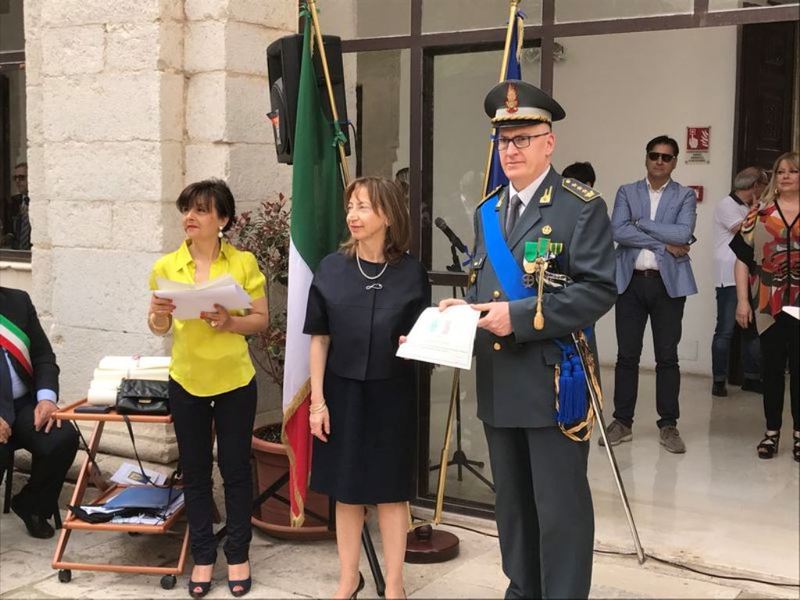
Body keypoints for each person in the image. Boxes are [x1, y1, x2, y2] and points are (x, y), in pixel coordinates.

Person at [439, 80, 617, 598]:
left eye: (523, 139)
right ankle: (523, 588)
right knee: (513, 505)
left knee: (559, 508)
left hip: (553, 383)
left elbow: (598, 290)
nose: (510, 150)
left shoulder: (580, 207)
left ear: (549, 143)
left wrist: (515, 317)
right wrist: (462, 313)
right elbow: (487, 286)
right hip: (500, 381)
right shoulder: (488, 211)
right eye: (503, 140)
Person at [305, 176, 429, 600]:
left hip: (393, 394)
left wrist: (424, 338)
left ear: (388, 215)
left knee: (392, 493)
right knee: (347, 492)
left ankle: (394, 583)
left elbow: (422, 336)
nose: (352, 215)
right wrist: (317, 403)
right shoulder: (331, 268)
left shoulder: (412, 273)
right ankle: (349, 578)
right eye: (350, 207)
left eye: (363, 207)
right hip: (342, 394)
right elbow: (319, 339)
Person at [148, 179, 268, 598]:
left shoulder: (243, 263)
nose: (190, 217)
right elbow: (159, 327)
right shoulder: (166, 266)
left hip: (235, 380)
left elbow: (261, 319)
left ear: (223, 219)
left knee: (235, 469)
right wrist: (158, 314)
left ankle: (238, 553)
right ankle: (202, 556)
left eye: (200, 210)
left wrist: (230, 322)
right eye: (187, 209)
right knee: (195, 472)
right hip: (187, 380)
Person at [606, 135, 698, 454]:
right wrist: (662, 243)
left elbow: (683, 233)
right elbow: (618, 230)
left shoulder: (684, 195)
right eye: (654, 155)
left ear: (674, 162)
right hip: (630, 283)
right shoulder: (626, 191)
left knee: (667, 357)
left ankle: (668, 424)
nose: (660, 161)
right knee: (626, 356)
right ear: (646, 158)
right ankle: (622, 422)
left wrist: (641, 223)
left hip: (667, 285)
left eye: (666, 157)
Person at [731, 151, 799, 462]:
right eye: (780, 171)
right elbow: (742, 261)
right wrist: (742, 301)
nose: (785, 176)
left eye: (793, 171)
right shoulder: (759, 214)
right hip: (768, 302)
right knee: (771, 370)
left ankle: (799, 435)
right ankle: (772, 433)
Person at [0, 286, 78, 539]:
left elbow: (43, 355)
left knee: (62, 437)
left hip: (24, 405)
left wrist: (46, 399)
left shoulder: (17, 301)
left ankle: (32, 505)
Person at [711, 167, 767, 397]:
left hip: (751, 276)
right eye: (763, 186)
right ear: (755, 186)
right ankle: (719, 380)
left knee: (752, 330)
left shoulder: (748, 207)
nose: (765, 191)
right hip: (728, 276)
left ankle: (751, 378)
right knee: (725, 331)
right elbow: (745, 231)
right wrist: (757, 210)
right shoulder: (727, 205)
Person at [1, 162, 31, 250]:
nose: (17, 181)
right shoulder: (12, 202)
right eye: (15, 178)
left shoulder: (41, 202)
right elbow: (11, 230)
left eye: (21, 177)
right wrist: (7, 237)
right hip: (16, 252)